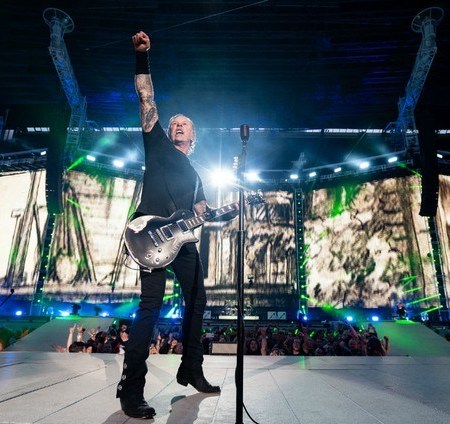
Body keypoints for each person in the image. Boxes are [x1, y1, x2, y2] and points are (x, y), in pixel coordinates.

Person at [117, 31, 233, 419]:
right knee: (149, 308)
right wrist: (142, 57)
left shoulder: (197, 175)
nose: (178, 124)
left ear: (194, 136)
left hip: (182, 242)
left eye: (185, 123)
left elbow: (201, 212)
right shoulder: (158, 146)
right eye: (175, 122)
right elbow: (145, 98)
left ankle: (191, 369)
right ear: (168, 131)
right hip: (149, 235)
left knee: (198, 301)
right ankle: (131, 389)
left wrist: (225, 212)